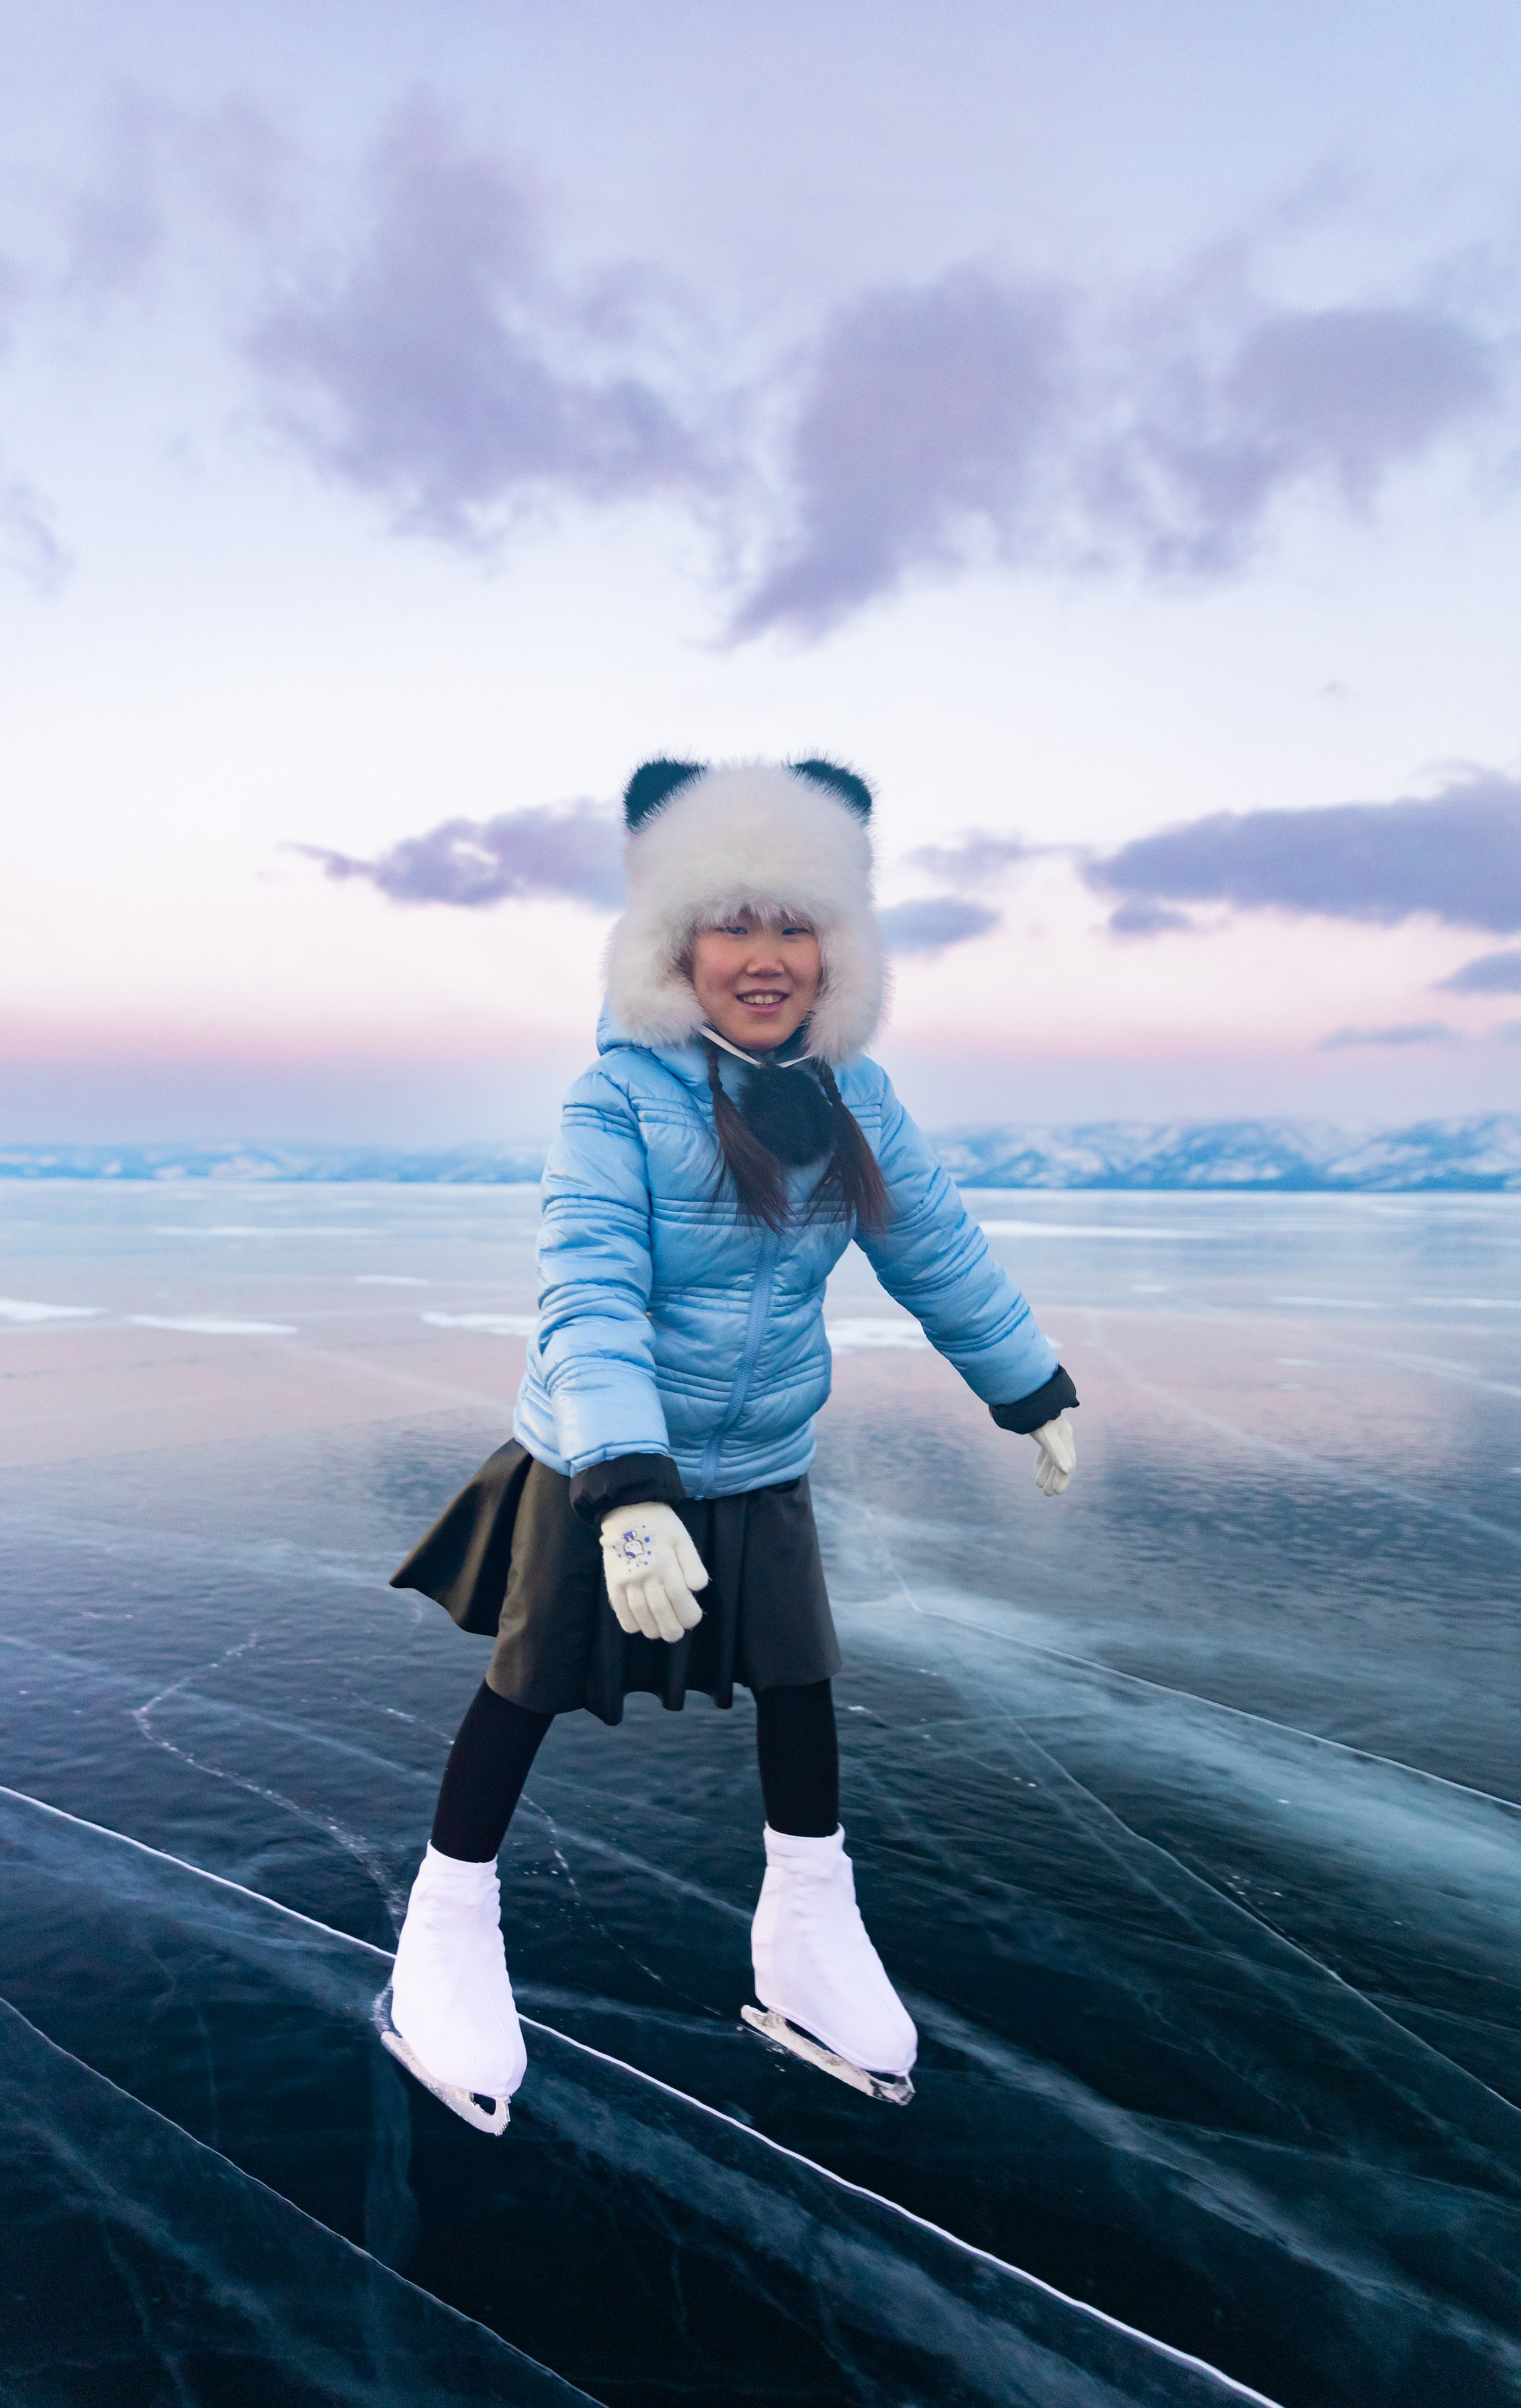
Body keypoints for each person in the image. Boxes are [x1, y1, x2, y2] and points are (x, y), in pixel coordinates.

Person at [385, 756, 1078, 2125]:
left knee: (797, 1682)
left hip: (757, 1455)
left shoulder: (851, 1098)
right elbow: (588, 1298)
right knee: (528, 1688)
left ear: (839, 945)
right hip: (600, 1459)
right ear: (672, 943)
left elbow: (930, 1243)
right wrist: (627, 1492)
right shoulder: (616, 1103)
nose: (764, 959)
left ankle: (808, 1931)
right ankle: (446, 1930)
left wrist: (1028, 1383)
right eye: (731, 923)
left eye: (793, 924)